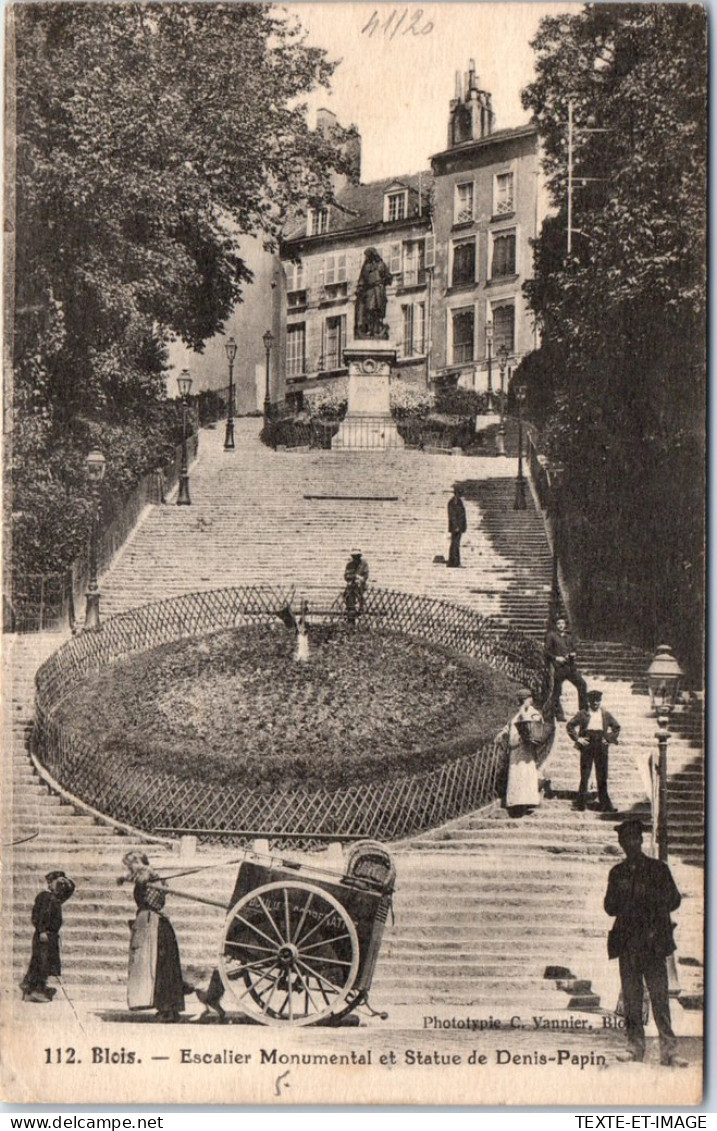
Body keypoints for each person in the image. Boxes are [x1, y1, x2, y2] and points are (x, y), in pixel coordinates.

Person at [604, 819, 687, 1067]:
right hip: (628, 943)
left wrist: (651, 906)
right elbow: (609, 907)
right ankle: (634, 1048)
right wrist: (624, 899)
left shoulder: (658, 869)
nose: (628, 844)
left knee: (660, 997)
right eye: (624, 840)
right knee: (631, 998)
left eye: (632, 839)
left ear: (640, 840)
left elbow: (674, 900)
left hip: (653, 943)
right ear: (621, 843)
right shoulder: (617, 873)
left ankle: (669, 1051)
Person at [119, 852, 186, 1022]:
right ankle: (167, 1008)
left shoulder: (149, 875)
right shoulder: (149, 876)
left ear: (139, 863)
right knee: (157, 967)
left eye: (130, 865)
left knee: (160, 967)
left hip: (154, 926)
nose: (129, 869)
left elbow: (143, 880)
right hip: (150, 923)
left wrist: (126, 877)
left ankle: (167, 1009)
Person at [21, 871, 75, 1002]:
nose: (52, 885)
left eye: (54, 882)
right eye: (51, 882)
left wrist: (66, 881)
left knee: (47, 963)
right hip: (44, 935)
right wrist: (42, 931)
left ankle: (35, 989)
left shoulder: (56, 898)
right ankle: (36, 990)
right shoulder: (45, 897)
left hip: (51, 937)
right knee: (41, 963)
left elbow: (70, 890)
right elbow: (38, 917)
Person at [567, 688, 621, 812]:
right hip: (587, 744)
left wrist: (608, 739)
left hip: (601, 745)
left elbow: (616, 727)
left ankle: (605, 805)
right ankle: (581, 804)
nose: (595, 703)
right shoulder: (583, 713)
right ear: (588, 701)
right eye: (593, 701)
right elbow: (570, 726)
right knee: (585, 774)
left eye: (597, 701)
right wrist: (578, 739)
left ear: (600, 701)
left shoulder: (605, 714)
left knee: (602, 775)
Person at [504, 689, 544, 817]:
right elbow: (511, 724)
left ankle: (526, 803)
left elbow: (532, 727)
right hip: (515, 749)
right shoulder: (517, 713)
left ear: (530, 699)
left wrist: (523, 713)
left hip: (526, 749)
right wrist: (503, 732)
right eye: (521, 700)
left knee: (525, 774)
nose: (523, 702)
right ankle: (515, 802)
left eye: (525, 699)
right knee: (516, 775)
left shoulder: (534, 713)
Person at [544, 615, 588, 720]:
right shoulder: (551, 636)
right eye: (558, 624)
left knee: (582, 685)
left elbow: (573, 649)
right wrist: (556, 658)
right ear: (555, 625)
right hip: (559, 668)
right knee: (557, 691)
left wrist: (573, 654)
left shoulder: (569, 636)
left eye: (562, 623)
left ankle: (583, 712)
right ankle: (558, 714)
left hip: (570, 667)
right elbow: (546, 651)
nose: (561, 626)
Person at [354, 247, 392, 339]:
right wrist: (359, 288)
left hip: (378, 289)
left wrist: (384, 280)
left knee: (377, 310)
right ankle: (370, 329)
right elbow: (361, 279)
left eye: (368, 255)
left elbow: (388, 277)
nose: (367, 257)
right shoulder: (366, 267)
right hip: (369, 290)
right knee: (369, 309)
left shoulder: (381, 265)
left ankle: (376, 329)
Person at [344, 549, 369, 625]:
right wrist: (353, 577)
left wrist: (360, 579)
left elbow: (365, 575)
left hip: (360, 587)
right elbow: (346, 576)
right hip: (351, 587)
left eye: (357, 556)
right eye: (354, 556)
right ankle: (350, 621)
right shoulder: (349, 565)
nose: (355, 558)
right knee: (350, 603)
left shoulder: (363, 564)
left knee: (361, 601)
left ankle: (360, 617)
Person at [447, 485, 467, 568]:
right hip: (456, 527)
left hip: (458, 526)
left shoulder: (458, 501)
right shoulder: (453, 502)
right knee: (455, 544)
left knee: (455, 544)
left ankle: (454, 562)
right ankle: (454, 562)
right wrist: (456, 526)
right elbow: (452, 516)